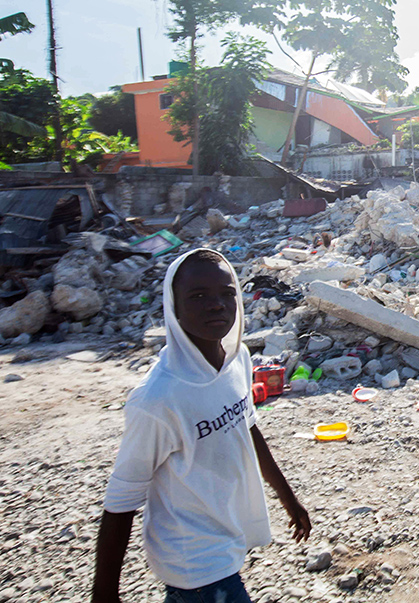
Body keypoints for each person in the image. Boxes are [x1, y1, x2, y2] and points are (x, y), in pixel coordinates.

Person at [92, 249, 310, 602]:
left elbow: (248, 428)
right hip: (191, 555)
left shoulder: (237, 360)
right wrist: (104, 593)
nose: (217, 305)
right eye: (198, 296)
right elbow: (121, 500)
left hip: (227, 531)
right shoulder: (158, 399)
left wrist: (289, 499)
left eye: (227, 294)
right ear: (173, 307)